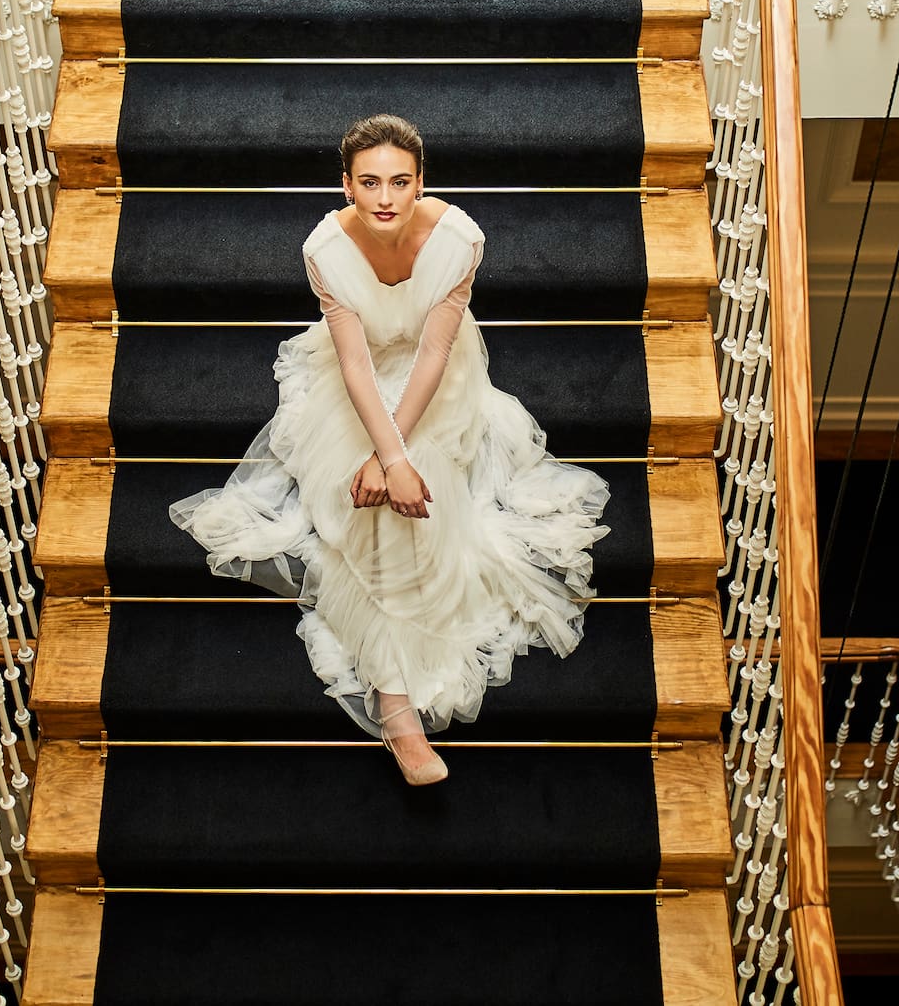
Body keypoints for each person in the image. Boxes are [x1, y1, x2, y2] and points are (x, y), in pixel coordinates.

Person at [170, 113, 610, 786]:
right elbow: (354, 365)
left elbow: (434, 355)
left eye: (400, 182)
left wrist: (395, 458)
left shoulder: (459, 241)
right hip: (361, 380)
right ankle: (398, 707)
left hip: (439, 381)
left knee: (410, 491)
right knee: (367, 503)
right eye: (369, 182)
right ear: (345, 185)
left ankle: (396, 705)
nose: (384, 198)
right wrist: (386, 459)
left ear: (420, 183)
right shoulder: (325, 250)